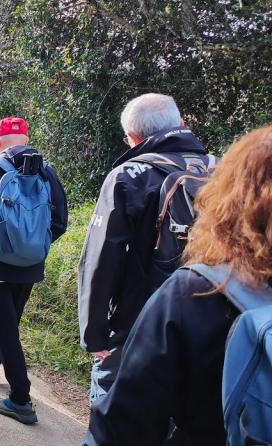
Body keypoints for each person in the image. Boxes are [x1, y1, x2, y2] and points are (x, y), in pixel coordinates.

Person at [68, 124, 272, 446]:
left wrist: (94, 333)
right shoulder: (207, 162)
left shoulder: (196, 292)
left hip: (138, 329)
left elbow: (101, 260)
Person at [78, 93, 214, 406]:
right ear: (181, 124)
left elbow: (101, 259)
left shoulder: (129, 176)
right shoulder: (227, 173)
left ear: (133, 138)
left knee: (112, 406)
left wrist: (94, 334)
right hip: (211, 319)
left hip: (140, 318)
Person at [0, 116, 68, 424]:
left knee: (5, 329)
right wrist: (34, 246)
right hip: (30, 265)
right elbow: (60, 221)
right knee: (6, 324)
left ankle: (21, 398)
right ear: (27, 139)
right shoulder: (46, 173)